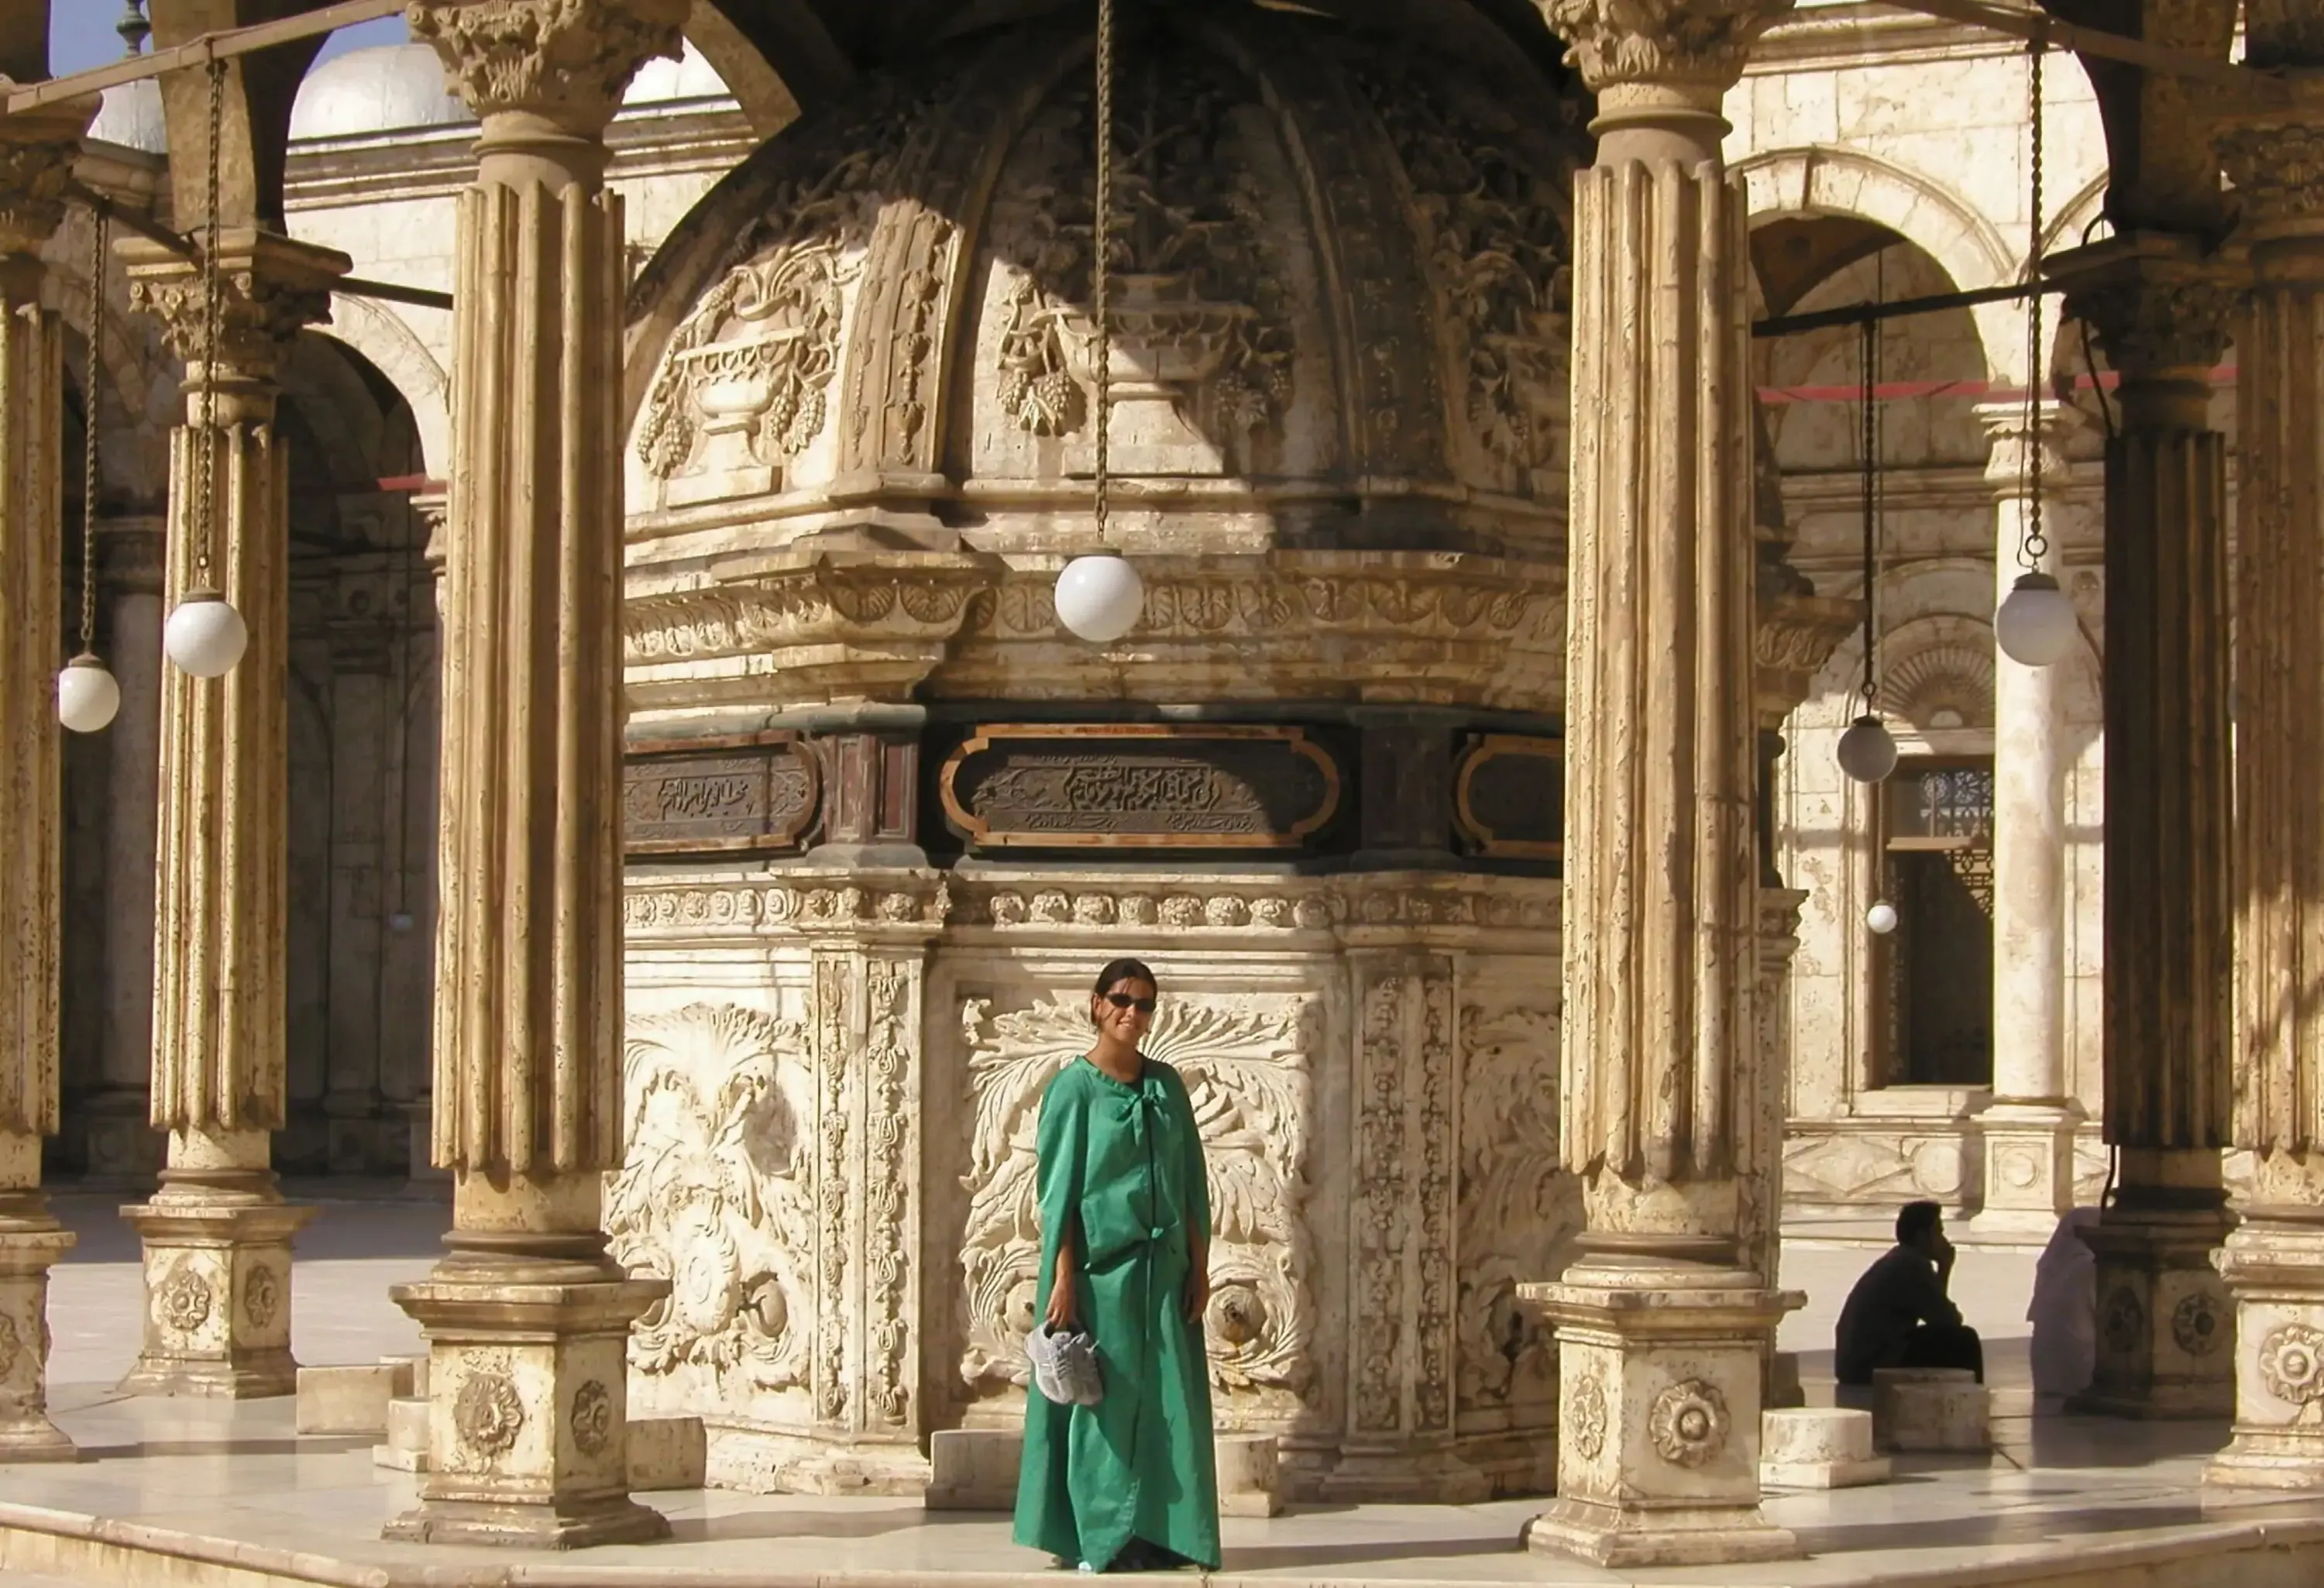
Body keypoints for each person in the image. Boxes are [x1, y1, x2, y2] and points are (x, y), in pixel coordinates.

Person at [1013, 959, 1222, 1574]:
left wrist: (1201, 1266)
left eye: (1146, 1004)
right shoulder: (1073, 1089)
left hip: (1167, 1272)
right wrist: (1061, 1279)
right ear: (1098, 1004)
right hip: (1103, 1276)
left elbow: (1190, 1185)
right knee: (1105, 1405)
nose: (1134, 1014)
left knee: (1170, 1405)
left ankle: (1166, 1532)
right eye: (1123, 1000)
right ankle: (1101, 1536)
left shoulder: (1166, 1086)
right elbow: (1061, 1194)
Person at [1833, 1201, 1984, 1386]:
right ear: (1922, 1236)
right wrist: (1945, 1268)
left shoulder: (1900, 1259)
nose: (1944, 1240)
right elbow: (1947, 1320)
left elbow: (1938, 1317)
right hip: (1867, 1364)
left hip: (1858, 1361)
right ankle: (1969, 1401)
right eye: (1938, 1232)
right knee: (1964, 1341)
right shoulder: (1911, 1266)